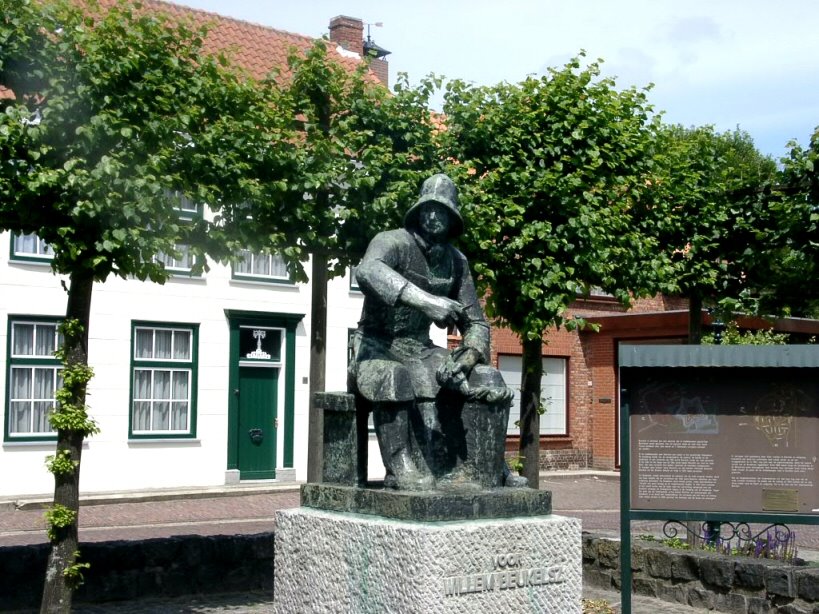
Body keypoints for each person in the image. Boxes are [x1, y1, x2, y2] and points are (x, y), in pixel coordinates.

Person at [349, 174, 518, 490]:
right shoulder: (392, 241)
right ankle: (401, 468)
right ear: (417, 212)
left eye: (442, 211)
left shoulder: (457, 262)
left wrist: (466, 359)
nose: (432, 216)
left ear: (452, 218)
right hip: (375, 346)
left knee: (488, 378)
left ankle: (489, 469)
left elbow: (477, 324)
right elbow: (368, 271)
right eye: (427, 209)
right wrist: (426, 301)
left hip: (422, 350)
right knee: (392, 376)